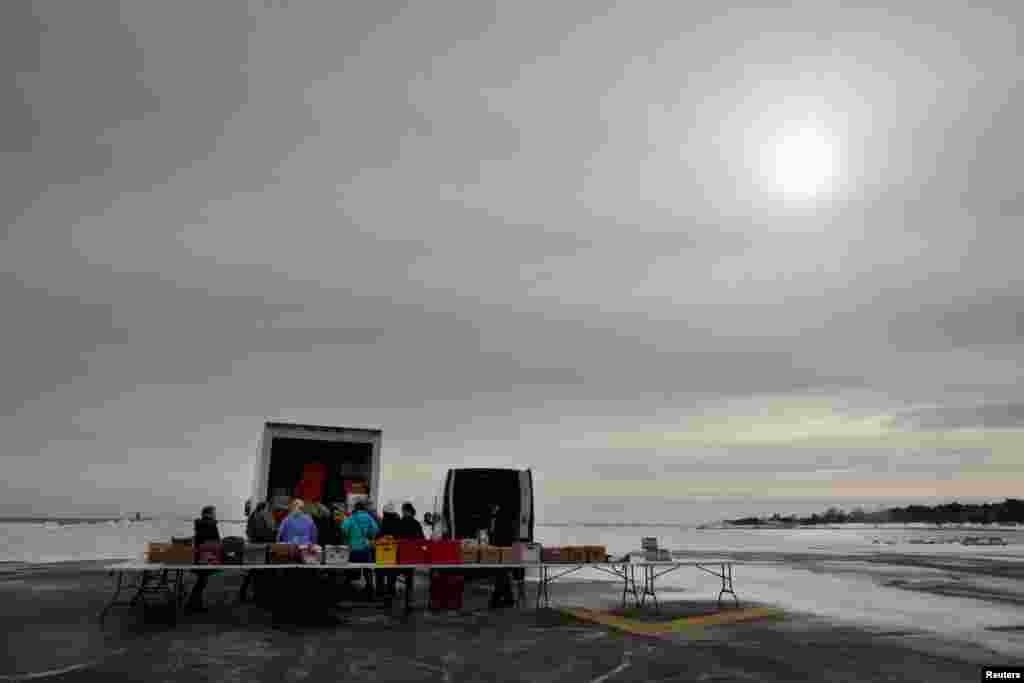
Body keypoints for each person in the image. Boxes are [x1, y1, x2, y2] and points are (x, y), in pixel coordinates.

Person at [341, 500, 379, 598]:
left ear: (356, 508)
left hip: (353, 548)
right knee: (367, 568)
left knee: (349, 567)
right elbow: (375, 530)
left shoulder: (352, 517)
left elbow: (344, 528)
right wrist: (369, 536)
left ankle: (348, 589)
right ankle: (370, 588)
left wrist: (349, 536)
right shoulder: (369, 517)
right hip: (365, 547)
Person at [239, 501, 276, 603]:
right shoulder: (259, 517)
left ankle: (245, 593)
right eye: (267, 508)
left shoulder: (253, 516)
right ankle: (252, 595)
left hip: (254, 546)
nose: (268, 510)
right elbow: (262, 533)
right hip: (259, 547)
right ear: (263, 508)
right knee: (256, 571)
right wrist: (271, 534)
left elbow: (249, 531)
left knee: (253, 571)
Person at [186, 505, 220, 613]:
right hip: (206, 557)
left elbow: (200, 540)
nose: (215, 515)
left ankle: (195, 604)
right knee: (201, 582)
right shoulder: (210, 524)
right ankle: (192, 605)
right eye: (214, 512)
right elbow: (215, 541)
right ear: (209, 513)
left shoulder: (201, 524)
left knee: (201, 581)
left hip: (200, 556)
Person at [487, 503, 516, 609]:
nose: (492, 510)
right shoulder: (493, 517)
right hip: (499, 549)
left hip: (503, 549)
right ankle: (508, 599)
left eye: (493, 507)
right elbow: (492, 533)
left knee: (501, 574)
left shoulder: (503, 518)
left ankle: (496, 599)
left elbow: (504, 535)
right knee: (502, 574)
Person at [377, 503, 403, 597]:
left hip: (383, 549)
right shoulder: (398, 521)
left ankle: (380, 590)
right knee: (391, 571)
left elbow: (380, 534)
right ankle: (391, 590)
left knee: (380, 570)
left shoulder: (385, 521)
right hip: (394, 549)